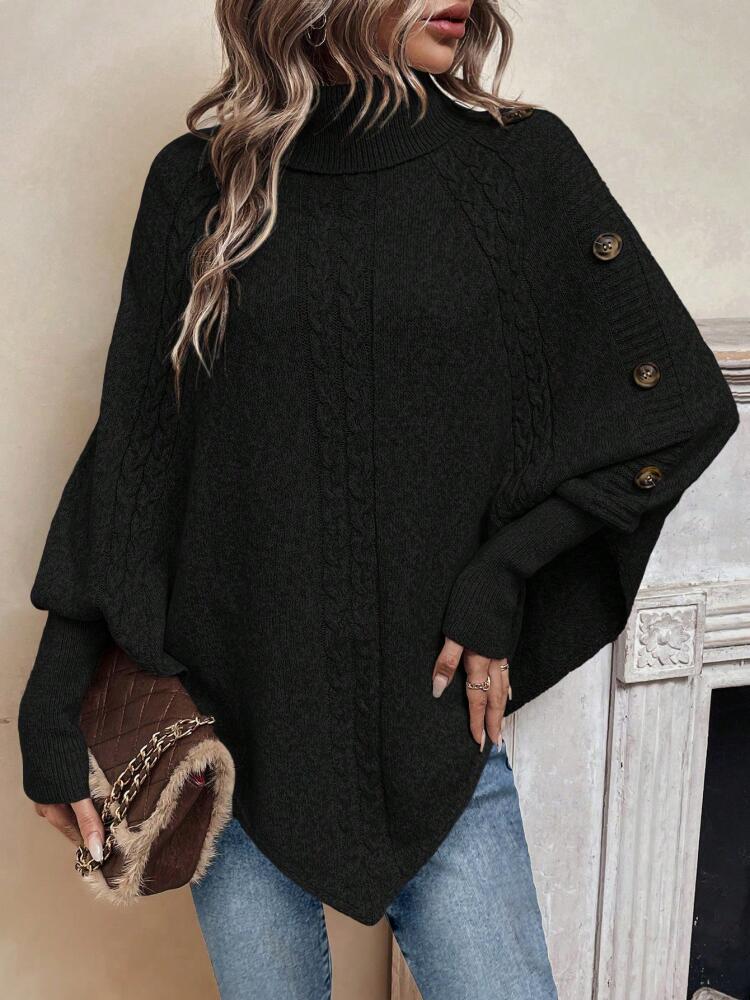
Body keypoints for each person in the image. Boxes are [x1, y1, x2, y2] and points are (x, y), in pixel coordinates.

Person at [17, 2, 739, 998]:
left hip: (437, 736)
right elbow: (137, 453)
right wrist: (51, 700)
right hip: (233, 733)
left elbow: (679, 406)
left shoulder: (518, 164)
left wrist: (506, 571)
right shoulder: (200, 183)